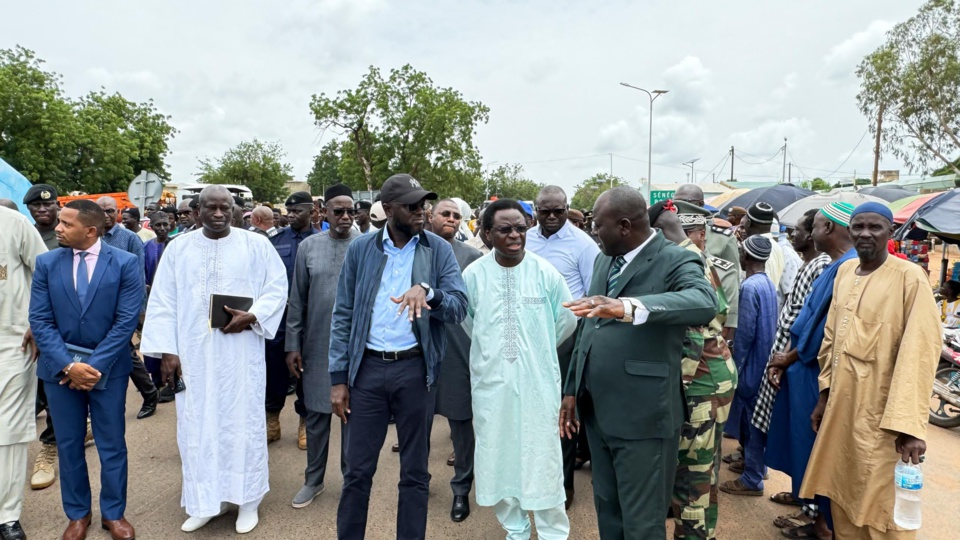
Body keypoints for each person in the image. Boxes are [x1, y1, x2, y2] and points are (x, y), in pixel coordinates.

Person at [560, 186, 718, 539]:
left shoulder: (676, 259)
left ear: (625, 226)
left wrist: (629, 307)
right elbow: (589, 329)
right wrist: (571, 390)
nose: (592, 232)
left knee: (642, 523)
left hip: (644, 418)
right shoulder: (605, 259)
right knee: (609, 510)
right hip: (598, 412)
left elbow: (703, 300)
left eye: (598, 225)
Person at [140, 185, 287, 534]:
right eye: (212, 208)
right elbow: (162, 302)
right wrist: (168, 352)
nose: (219, 215)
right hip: (192, 356)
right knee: (197, 427)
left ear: (235, 211)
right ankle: (206, 500)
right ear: (196, 212)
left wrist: (254, 316)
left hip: (240, 356)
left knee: (243, 424)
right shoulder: (178, 249)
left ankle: (247, 500)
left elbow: (277, 288)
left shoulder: (256, 245)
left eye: (226, 208)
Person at [328, 173, 467, 539]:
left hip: (416, 371)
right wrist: (338, 379)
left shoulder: (438, 249)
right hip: (367, 372)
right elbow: (343, 313)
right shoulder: (362, 249)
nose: (421, 210)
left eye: (423, 203)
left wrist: (429, 292)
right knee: (356, 472)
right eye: (412, 205)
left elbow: (458, 307)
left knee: (415, 472)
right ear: (388, 209)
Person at [800, 202, 941, 539]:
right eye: (858, 226)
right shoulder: (846, 273)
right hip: (842, 412)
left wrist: (910, 427)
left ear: (890, 232)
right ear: (849, 231)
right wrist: (824, 396)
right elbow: (831, 340)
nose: (865, 233)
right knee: (842, 495)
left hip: (884, 421)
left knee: (879, 508)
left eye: (874, 227)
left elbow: (920, 353)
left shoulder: (909, 278)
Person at [28, 200, 144, 540]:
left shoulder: (125, 262)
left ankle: (113, 513)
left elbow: (126, 321)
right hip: (59, 372)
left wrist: (91, 367)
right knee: (69, 443)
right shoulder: (47, 263)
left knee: (111, 444)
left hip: (108, 370)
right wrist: (68, 365)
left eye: (66, 223)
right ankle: (77, 515)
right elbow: (40, 320)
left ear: (90, 230)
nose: (58, 228)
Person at [462, 199, 576, 538]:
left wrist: (535, 348)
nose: (515, 235)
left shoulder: (546, 272)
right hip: (492, 384)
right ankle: (515, 529)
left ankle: (553, 532)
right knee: (497, 456)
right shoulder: (473, 275)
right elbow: (469, 322)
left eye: (520, 229)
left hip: (538, 384)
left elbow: (566, 320)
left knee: (543, 458)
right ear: (486, 233)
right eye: (505, 229)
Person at [761, 202, 856, 539]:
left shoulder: (847, 268)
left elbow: (827, 329)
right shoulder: (835, 265)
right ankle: (815, 516)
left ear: (828, 229)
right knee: (803, 447)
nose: (810, 232)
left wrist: (791, 356)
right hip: (802, 366)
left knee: (817, 449)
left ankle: (823, 526)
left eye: (815, 226)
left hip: (815, 371)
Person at [658, 201, 738, 540]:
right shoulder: (693, 259)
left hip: (702, 381)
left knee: (693, 473)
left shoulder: (691, 262)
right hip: (709, 377)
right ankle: (702, 531)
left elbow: (696, 330)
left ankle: (693, 535)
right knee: (703, 469)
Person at [525, 185, 600, 507]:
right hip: (528, 336)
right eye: (546, 211)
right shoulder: (524, 240)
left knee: (563, 410)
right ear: (535, 211)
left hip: (567, 338)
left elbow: (593, 296)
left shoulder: (583, 245)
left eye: (559, 210)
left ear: (567, 208)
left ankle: (564, 485)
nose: (553, 217)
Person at [284, 184, 356, 509]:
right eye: (337, 210)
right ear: (322, 212)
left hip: (358, 351)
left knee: (352, 419)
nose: (344, 216)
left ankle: (352, 483)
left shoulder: (368, 246)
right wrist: (292, 345)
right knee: (316, 415)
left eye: (349, 211)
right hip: (315, 346)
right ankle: (313, 481)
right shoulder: (309, 248)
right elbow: (296, 301)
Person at [430, 198, 483, 522]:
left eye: (455, 215)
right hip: (418, 353)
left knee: (461, 426)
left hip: (459, 353)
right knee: (415, 427)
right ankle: (415, 484)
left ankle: (461, 489)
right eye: (444, 213)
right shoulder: (412, 252)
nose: (451, 218)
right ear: (429, 216)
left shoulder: (473, 258)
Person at [0, 207, 46, 540]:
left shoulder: (12, 223)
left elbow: (45, 273)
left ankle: (6, 516)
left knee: (9, 432)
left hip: (11, 340)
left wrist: (37, 322)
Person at [719, 236, 777, 497]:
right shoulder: (767, 284)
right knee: (754, 420)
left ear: (748, 257)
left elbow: (744, 334)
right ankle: (755, 467)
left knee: (750, 423)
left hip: (751, 364)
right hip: (764, 361)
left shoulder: (750, 288)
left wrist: (735, 364)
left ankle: (752, 478)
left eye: (741, 252)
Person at [22, 184, 69, 492]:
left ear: (57, 207)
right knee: (40, 389)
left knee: (55, 388)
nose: (42, 210)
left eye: (47, 206)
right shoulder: (21, 235)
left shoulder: (69, 236)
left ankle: (50, 447)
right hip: (28, 325)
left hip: (63, 326)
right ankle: (70, 430)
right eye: (36, 207)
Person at [96, 197, 158, 420]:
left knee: (124, 350)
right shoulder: (89, 235)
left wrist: (138, 312)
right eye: (101, 210)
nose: (105, 215)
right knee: (120, 352)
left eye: (110, 210)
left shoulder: (130, 239)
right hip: (94, 307)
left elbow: (139, 277)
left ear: (118, 212)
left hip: (122, 308)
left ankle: (150, 394)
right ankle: (149, 393)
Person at [265, 192, 319, 446]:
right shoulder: (275, 239)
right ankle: (272, 419)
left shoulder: (320, 240)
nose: (291, 215)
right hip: (280, 316)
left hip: (310, 316)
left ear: (312, 212)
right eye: (289, 210)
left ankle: (305, 420)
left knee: (305, 369)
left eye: (298, 210)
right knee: (274, 368)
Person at [674, 185, 741, 343]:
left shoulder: (723, 238)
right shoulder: (670, 240)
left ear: (701, 204)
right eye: (675, 202)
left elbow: (730, 286)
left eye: (685, 202)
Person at [141, 211, 173, 389]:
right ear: (152, 227)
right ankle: (155, 380)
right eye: (158, 225)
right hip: (152, 300)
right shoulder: (146, 246)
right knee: (154, 338)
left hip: (171, 300)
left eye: (165, 225)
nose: (162, 228)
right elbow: (142, 271)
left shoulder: (176, 243)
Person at [739, 202, 786, 306]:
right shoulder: (777, 246)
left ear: (749, 222)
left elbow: (758, 285)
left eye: (745, 219)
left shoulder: (757, 248)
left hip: (755, 305)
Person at [23, 184, 61, 251]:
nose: (42, 209)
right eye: (36, 205)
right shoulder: (24, 235)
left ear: (57, 205)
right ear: (28, 207)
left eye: (47, 204)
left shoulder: (69, 234)